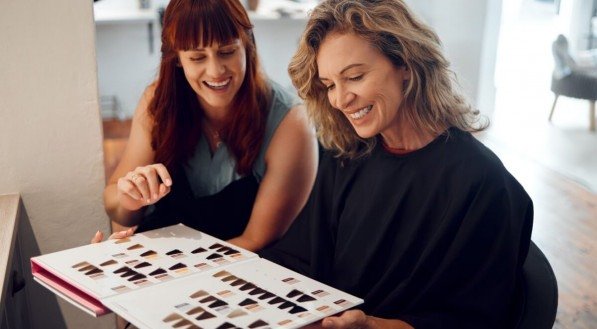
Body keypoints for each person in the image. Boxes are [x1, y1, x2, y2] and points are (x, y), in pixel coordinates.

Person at [260, 0, 533, 328]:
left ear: (405, 63)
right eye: (330, 85)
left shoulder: (485, 185)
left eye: (355, 77)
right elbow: (299, 258)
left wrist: (373, 325)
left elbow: (467, 320)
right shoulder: (345, 155)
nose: (340, 99)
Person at [97, 0, 318, 252]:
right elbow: (117, 209)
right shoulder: (158, 102)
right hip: (162, 264)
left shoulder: (291, 123)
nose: (215, 71)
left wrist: (168, 270)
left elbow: (254, 241)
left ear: (247, 45)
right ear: (177, 59)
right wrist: (129, 199)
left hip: (239, 274)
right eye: (197, 57)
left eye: (227, 52)